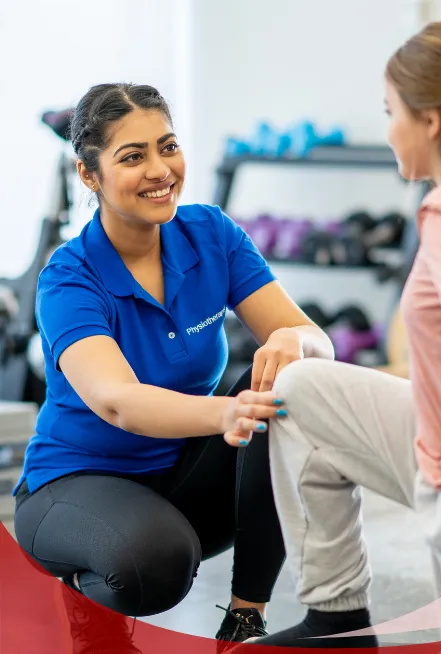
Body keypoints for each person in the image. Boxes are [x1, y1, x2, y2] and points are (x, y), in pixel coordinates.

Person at [12, 82, 334, 652]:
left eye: (168, 147)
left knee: (292, 387)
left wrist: (296, 340)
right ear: (89, 175)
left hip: (180, 483)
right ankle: (88, 605)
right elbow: (118, 401)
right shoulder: (69, 278)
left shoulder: (211, 234)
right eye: (133, 157)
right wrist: (227, 413)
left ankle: (244, 623)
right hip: (74, 487)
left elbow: (318, 344)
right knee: (156, 564)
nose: (160, 170)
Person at [240, 17, 441, 650]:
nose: (388, 130)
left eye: (391, 112)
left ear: (431, 120)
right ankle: (337, 621)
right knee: (302, 392)